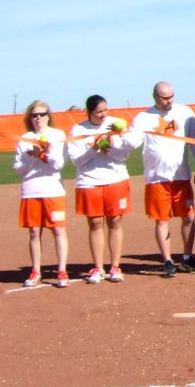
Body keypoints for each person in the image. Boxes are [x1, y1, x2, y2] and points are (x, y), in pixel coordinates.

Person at [129, 82, 195, 277]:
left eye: (171, 96)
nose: (169, 100)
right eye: (164, 98)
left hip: (181, 177)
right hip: (157, 179)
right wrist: (122, 138)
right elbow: (133, 141)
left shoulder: (185, 113)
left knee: (189, 217)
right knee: (162, 220)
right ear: (155, 97)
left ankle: (187, 258)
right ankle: (168, 260)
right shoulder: (143, 118)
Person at [67, 94, 134, 283]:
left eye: (105, 110)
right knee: (95, 223)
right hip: (90, 181)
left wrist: (110, 149)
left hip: (116, 179)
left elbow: (124, 156)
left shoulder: (115, 125)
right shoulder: (78, 130)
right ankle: (98, 267)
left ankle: (115, 266)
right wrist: (94, 148)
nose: (103, 115)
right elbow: (77, 161)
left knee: (115, 221)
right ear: (89, 113)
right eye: (99, 112)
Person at [12, 101, 70, 287]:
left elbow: (58, 165)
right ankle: (35, 270)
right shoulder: (25, 138)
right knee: (34, 231)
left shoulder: (57, 135)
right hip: (31, 190)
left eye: (42, 114)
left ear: (48, 116)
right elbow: (19, 169)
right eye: (34, 115)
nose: (38, 118)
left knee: (58, 229)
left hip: (53, 190)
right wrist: (33, 157)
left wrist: (47, 153)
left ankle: (62, 271)